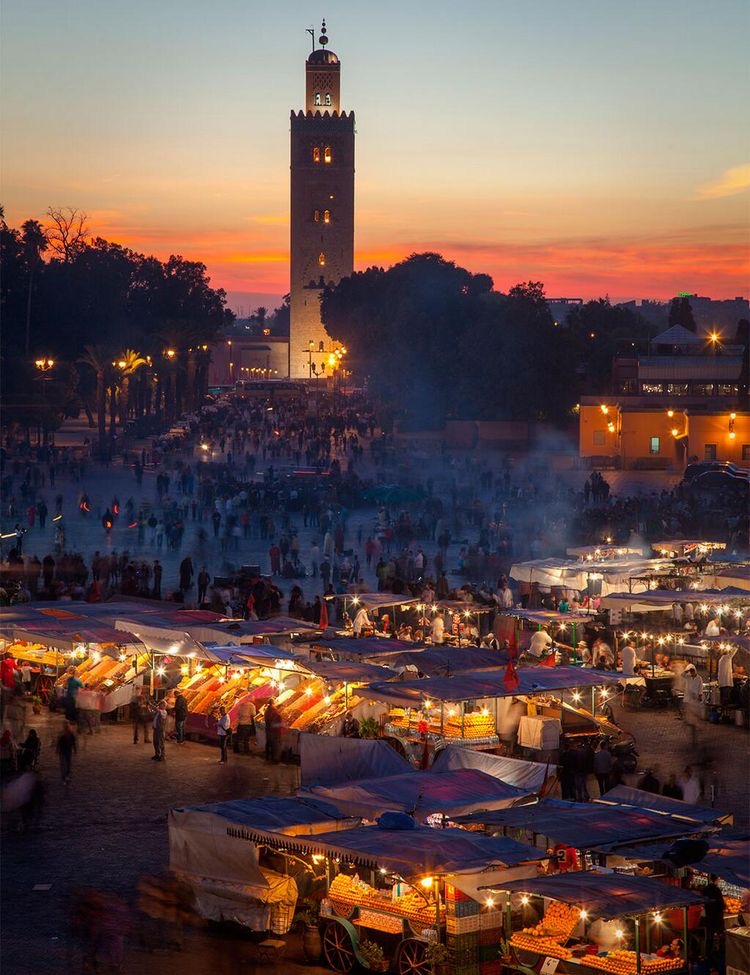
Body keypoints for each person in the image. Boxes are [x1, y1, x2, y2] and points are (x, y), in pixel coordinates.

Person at [703, 874, 725, 950]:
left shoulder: (705, 889)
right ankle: (719, 950)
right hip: (717, 916)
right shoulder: (716, 890)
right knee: (720, 933)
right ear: (716, 879)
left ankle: (708, 950)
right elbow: (721, 904)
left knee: (709, 934)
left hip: (708, 915)